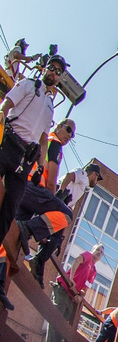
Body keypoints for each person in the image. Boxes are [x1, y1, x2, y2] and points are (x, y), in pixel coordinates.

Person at [0, 54, 60, 252]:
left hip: (25, 158)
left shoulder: (50, 107)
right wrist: (1, 113)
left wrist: (40, 165)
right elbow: (8, 103)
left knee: (11, 208)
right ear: (45, 69)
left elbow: (43, 140)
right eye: (51, 67)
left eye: (58, 71)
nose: (53, 72)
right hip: (9, 142)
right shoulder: (28, 85)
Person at [41, 242, 101, 342]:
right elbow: (76, 260)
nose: (99, 253)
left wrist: (81, 295)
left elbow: (86, 287)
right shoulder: (88, 256)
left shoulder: (94, 271)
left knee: (63, 326)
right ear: (92, 250)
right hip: (63, 289)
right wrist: (71, 279)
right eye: (97, 250)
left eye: (101, 253)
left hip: (71, 297)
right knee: (56, 319)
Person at [32, 118, 73, 192]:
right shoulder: (55, 143)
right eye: (68, 129)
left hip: (25, 180)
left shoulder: (45, 138)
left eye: (72, 135)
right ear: (58, 126)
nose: (69, 135)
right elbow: (51, 183)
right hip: (37, 187)